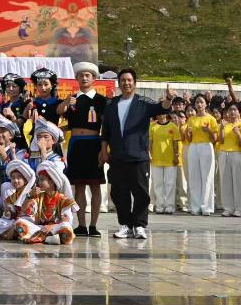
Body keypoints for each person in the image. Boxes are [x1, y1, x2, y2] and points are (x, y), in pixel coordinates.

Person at [99, 69, 173, 239]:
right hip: (117, 156)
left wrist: (169, 98)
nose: (126, 83)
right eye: (123, 80)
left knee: (141, 192)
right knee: (119, 192)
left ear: (134, 82)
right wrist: (104, 150)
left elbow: (161, 108)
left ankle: (139, 225)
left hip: (138, 156)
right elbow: (106, 130)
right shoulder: (111, 104)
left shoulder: (143, 102)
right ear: (119, 83)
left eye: (129, 80)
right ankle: (125, 225)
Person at [57, 61, 106, 237]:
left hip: (94, 143)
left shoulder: (101, 100)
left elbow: (106, 126)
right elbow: (59, 112)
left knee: (95, 185)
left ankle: (93, 225)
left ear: (93, 78)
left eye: (87, 75)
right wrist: (66, 101)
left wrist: (103, 149)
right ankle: (81, 225)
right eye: (81, 75)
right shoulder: (72, 99)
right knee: (79, 186)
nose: (84, 78)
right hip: (76, 143)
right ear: (76, 78)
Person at [14, 161, 78, 245]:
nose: (39, 183)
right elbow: (24, 211)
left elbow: (66, 220)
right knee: (20, 223)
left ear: (51, 182)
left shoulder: (63, 199)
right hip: (40, 228)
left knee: (66, 227)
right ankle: (50, 238)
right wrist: (29, 196)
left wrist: (51, 226)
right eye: (39, 180)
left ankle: (41, 237)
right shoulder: (38, 197)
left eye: (42, 179)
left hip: (55, 228)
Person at [183, 92, 218, 216]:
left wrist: (208, 131)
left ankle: (206, 206)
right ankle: (195, 206)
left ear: (206, 104)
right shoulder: (191, 119)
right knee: (194, 177)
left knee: (207, 176)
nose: (199, 104)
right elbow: (188, 139)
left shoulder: (211, 119)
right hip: (193, 147)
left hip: (206, 146)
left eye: (201, 102)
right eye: (197, 102)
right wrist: (188, 132)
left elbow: (215, 139)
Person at [0, 159, 36, 240]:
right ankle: (12, 233)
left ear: (25, 180)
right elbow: (7, 217)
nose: (15, 181)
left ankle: (14, 233)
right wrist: (6, 212)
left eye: (19, 178)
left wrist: (14, 225)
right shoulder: (11, 197)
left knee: (20, 224)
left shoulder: (31, 194)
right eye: (13, 178)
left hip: (29, 223)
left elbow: (29, 217)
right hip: (14, 223)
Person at [216, 102, 241, 217]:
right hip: (224, 153)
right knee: (225, 182)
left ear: (239, 112)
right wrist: (221, 128)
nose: (232, 112)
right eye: (230, 110)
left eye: (235, 110)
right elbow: (221, 141)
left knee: (238, 181)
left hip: (237, 153)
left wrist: (238, 134)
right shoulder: (225, 124)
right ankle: (228, 208)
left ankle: (240, 208)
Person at [149, 110, 181, 214]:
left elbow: (175, 143)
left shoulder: (173, 126)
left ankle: (169, 206)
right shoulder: (152, 126)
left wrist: (176, 156)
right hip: (156, 159)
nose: (160, 115)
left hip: (170, 159)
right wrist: (149, 154)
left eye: (162, 113)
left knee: (170, 183)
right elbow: (150, 142)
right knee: (157, 184)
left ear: (166, 114)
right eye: (158, 113)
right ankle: (160, 205)